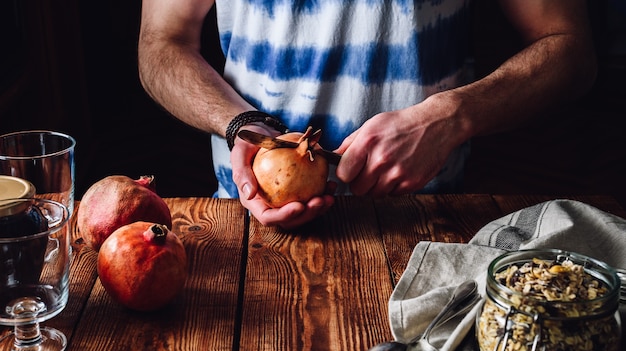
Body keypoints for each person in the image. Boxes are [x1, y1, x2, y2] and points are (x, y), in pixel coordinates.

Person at [138, 0, 596, 229]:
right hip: (245, 220)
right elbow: (161, 43)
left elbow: (571, 50)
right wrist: (239, 124)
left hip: (424, 225)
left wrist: (452, 115)